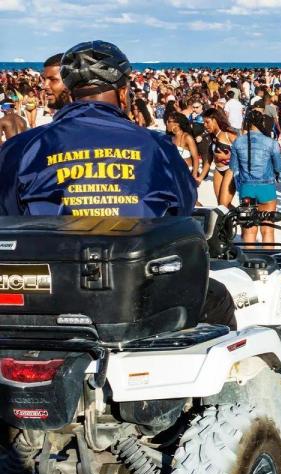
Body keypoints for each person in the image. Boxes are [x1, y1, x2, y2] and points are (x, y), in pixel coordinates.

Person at [0, 40, 234, 328]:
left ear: (70, 92)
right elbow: (182, 208)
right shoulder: (156, 146)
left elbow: (8, 215)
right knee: (218, 297)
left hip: (46, 295)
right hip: (137, 294)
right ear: (123, 92)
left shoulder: (22, 148)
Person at [229, 109, 281, 244]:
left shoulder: (237, 142)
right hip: (266, 187)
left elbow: (233, 167)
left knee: (249, 229)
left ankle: (249, 260)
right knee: (267, 229)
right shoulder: (271, 143)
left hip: (246, 188)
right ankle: (267, 260)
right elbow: (278, 167)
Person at [201, 108, 238, 205]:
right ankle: (235, 219)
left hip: (230, 170)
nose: (205, 125)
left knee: (223, 204)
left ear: (215, 120)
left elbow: (242, 151)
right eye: (204, 122)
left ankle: (241, 218)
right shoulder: (212, 135)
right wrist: (200, 178)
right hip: (218, 170)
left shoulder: (228, 134)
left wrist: (228, 157)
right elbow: (209, 159)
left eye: (207, 122)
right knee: (221, 205)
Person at [165, 112, 201, 183]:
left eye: (169, 121)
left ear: (177, 124)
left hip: (186, 174)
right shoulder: (171, 138)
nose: (167, 123)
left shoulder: (187, 138)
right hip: (174, 174)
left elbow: (196, 158)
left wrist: (194, 176)